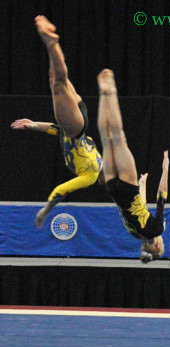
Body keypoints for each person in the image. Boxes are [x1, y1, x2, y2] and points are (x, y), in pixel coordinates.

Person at [10, 16, 102, 228]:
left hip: (75, 123)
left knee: (55, 79)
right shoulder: (91, 175)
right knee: (58, 84)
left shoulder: (97, 157)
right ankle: (51, 42)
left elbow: (58, 131)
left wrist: (34, 125)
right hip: (75, 129)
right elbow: (61, 190)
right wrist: (46, 210)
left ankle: (51, 44)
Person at [97, 68, 169, 262]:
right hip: (113, 190)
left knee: (118, 137)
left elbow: (161, 198)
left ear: (156, 245)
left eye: (162, 244)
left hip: (129, 189)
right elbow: (139, 209)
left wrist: (165, 169)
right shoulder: (135, 234)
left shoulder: (158, 229)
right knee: (106, 139)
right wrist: (143, 184)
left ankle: (111, 91)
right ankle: (104, 94)